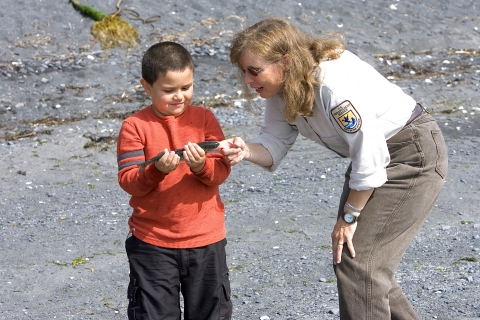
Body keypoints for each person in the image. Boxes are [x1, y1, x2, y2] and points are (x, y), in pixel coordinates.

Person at [221, 18, 448, 319]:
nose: (247, 80)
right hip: (376, 159)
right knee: (362, 263)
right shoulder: (280, 88)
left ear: (285, 61)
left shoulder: (330, 85)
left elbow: (369, 154)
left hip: (412, 155)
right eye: (243, 71)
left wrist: (349, 216)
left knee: (360, 263)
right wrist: (247, 150)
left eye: (254, 70)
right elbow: (274, 142)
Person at [117, 41, 232, 320]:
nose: (179, 96)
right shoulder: (134, 126)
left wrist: (200, 165)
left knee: (211, 313)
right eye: (169, 90)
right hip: (152, 243)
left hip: (206, 239)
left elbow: (220, 172)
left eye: (186, 87)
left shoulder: (205, 119)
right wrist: (156, 171)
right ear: (147, 87)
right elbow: (129, 180)